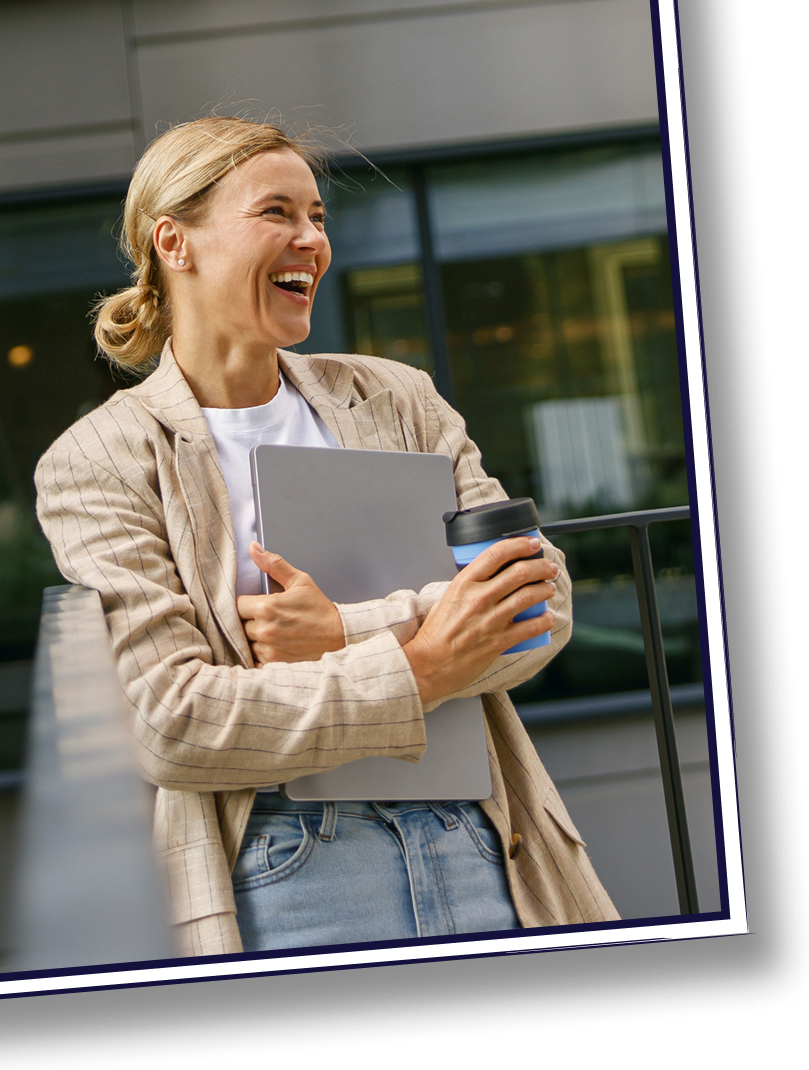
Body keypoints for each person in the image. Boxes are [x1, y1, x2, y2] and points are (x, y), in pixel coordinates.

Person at [35, 116, 619, 956]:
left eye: (317, 216)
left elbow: (539, 602)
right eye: (276, 212)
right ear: (174, 242)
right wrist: (425, 666)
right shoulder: (101, 459)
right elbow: (173, 722)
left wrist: (344, 630)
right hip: (286, 871)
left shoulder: (397, 398)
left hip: (479, 834)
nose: (310, 239)